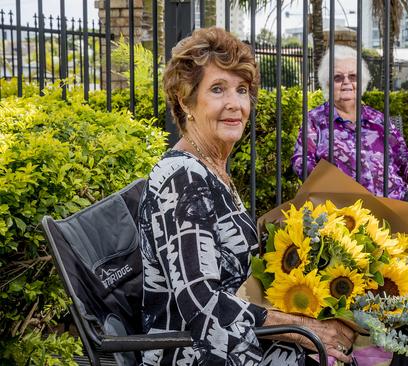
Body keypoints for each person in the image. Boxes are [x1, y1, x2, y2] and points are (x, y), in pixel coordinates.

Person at [138, 27, 356, 366]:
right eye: (217, 89)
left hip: (237, 339)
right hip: (196, 353)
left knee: (382, 345)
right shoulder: (183, 181)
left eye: (241, 90)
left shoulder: (212, 169)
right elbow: (203, 303)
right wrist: (302, 328)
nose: (235, 104)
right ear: (185, 101)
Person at [291, 45, 408, 251]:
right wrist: (333, 186)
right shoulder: (315, 121)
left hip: (392, 199)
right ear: (328, 83)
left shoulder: (377, 119)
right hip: (346, 207)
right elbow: (300, 160)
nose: (347, 82)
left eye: (353, 76)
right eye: (338, 77)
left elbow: (402, 155)